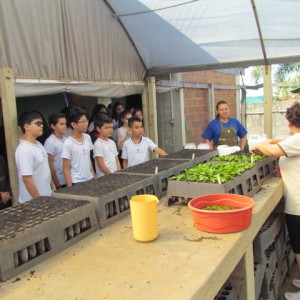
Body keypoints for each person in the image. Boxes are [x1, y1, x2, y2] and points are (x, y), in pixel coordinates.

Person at [250, 102, 300, 300]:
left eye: (290, 124)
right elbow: (286, 140)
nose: (288, 127)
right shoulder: (295, 139)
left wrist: (261, 145)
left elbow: (272, 151)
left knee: (299, 247)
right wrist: (270, 140)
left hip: (298, 205)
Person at [15, 111, 52, 203]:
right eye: (38, 123)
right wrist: (39, 201)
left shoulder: (39, 144)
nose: (41, 126)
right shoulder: (24, 149)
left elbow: (45, 170)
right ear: (27, 126)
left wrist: (53, 187)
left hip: (47, 196)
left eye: (42, 123)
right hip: (33, 202)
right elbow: (27, 180)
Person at [61, 107, 95, 187]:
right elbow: (66, 169)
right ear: (73, 124)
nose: (86, 124)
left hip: (89, 178)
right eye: (83, 122)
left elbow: (88, 159)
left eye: (86, 121)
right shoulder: (68, 143)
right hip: (76, 181)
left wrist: (93, 175)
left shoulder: (87, 137)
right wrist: (70, 188)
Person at [44, 113, 67, 189]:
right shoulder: (50, 142)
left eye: (65, 124)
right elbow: (50, 165)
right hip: (59, 181)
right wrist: (57, 184)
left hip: (69, 178)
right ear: (53, 126)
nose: (65, 126)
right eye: (61, 124)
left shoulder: (67, 139)